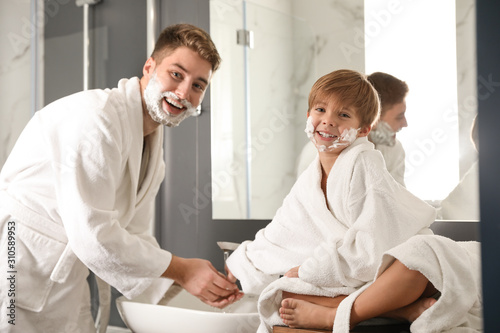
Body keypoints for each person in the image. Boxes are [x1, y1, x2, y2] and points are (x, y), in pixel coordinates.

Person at [0, 23, 242, 333]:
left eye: (198, 85)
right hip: (18, 262)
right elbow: (94, 235)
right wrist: (182, 271)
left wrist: (185, 285)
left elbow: (133, 233)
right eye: (177, 74)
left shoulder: (151, 146)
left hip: (64, 278)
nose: (183, 93)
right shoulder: (97, 120)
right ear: (149, 67)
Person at [225, 69, 438, 330]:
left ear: (363, 130)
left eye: (343, 115)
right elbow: (283, 231)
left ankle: (338, 313)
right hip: (352, 278)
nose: (328, 121)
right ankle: (396, 310)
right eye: (321, 110)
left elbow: (372, 247)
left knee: (416, 262)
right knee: (280, 294)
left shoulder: (364, 163)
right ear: (308, 116)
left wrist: (308, 271)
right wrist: (243, 261)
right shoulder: (310, 176)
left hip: (387, 269)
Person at [366, 72, 409, 186]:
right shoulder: (335, 150)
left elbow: (398, 198)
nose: (405, 124)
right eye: (399, 116)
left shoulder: (395, 149)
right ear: (373, 118)